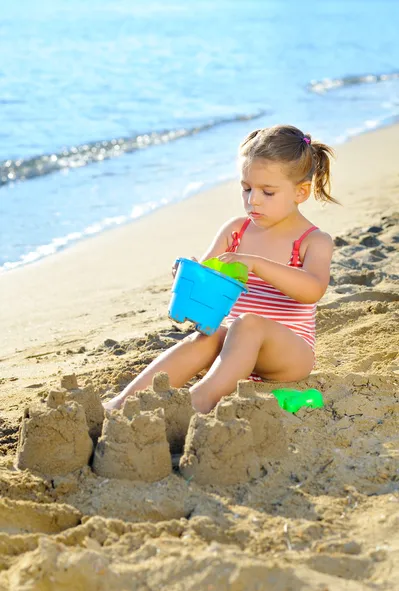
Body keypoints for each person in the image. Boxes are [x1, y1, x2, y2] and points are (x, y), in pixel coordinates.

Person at [103, 124, 336, 415]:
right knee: (207, 337)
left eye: (268, 192)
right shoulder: (235, 231)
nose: (253, 200)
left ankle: (201, 399)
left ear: (300, 192)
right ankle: (125, 402)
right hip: (233, 349)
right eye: (246, 188)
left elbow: (312, 290)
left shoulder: (313, 241)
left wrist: (257, 264)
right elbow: (209, 285)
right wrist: (191, 279)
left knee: (247, 323)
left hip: (288, 356)